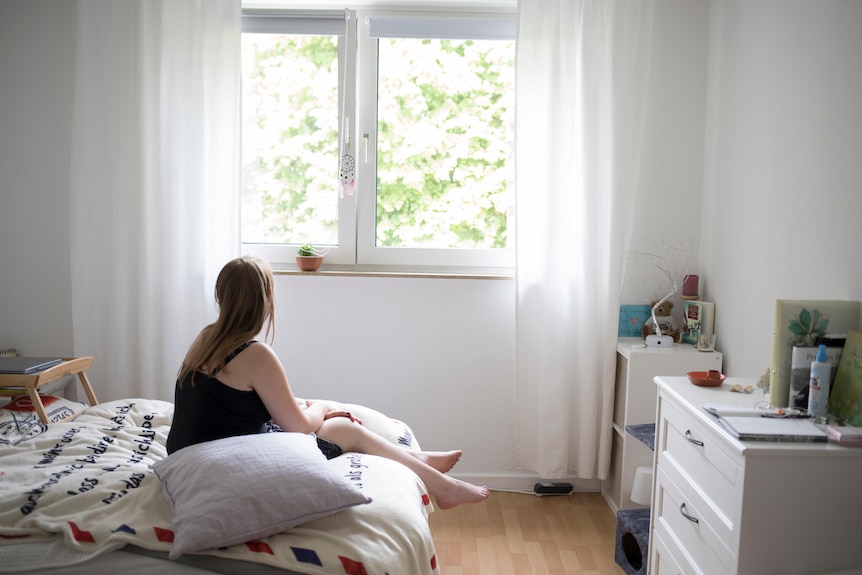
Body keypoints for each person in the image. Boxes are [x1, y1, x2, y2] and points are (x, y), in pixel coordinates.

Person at [166, 255, 488, 510]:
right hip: (224, 461)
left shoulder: (207, 337)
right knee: (344, 428)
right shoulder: (256, 355)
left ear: (221, 296)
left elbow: (231, 406)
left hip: (190, 451)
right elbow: (301, 429)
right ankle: (443, 489)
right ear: (266, 298)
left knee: (329, 422)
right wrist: (322, 408)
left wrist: (308, 410)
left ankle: (420, 463)